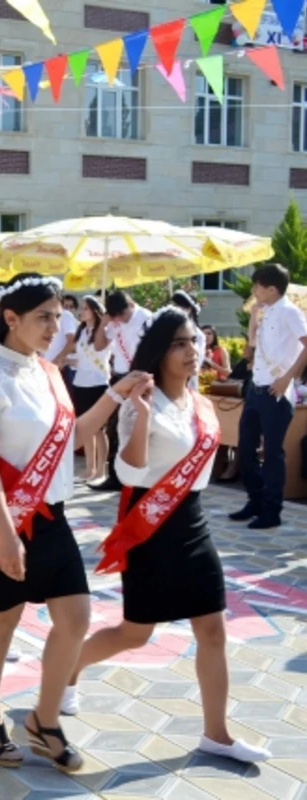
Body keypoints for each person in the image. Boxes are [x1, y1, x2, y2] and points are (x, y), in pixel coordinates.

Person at [0, 273, 149, 772]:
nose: (54, 324)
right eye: (44, 316)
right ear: (11, 319)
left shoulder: (48, 373)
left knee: (76, 618)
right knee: (1, 619)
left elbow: (74, 437)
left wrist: (117, 393)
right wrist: (5, 535)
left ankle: (45, 721)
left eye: (58, 314)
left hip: (54, 516)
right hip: (4, 517)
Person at [69, 305, 270, 764]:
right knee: (135, 634)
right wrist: (138, 418)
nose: (191, 351)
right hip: (149, 528)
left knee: (213, 629)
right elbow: (127, 471)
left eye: (194, 341)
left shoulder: (199, 403)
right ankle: (68, 668)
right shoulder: (141, 401)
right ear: (159, 352)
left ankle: (216, 734)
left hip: (193, 523)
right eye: (179, 343)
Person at [231, 264, 307, 529]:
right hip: (256, 389)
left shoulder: (289, 312)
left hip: (277, 392)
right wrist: (254, 317)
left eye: (258, 287)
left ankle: (272, 510)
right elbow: (251, 346)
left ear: (272, 289)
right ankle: (255, 499)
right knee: (246, 447)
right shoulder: (264, 312)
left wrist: (288, 377)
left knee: (273, 453)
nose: (254, 291)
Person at [91, 291, 153, 491]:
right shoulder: (114, 321)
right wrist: (104, 323)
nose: (120, 319)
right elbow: (99, 346)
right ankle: (115, 476)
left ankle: (137, 476)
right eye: (116, 316)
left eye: (123, 314)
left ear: (131, 304)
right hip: (119, 378)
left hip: (139, 378)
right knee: (114, 426)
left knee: (135, 427)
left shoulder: (147, 319)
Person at [71, 296, 111, 483]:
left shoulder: (103, 332)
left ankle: (101, 469)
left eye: (86, 308)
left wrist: (103, 325)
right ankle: (89, 468)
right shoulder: (81, 331)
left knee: (98, 429)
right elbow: (81, 358)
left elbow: (100, 351)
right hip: (81, 382)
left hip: (98, 382)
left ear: (94, 311)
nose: (82, 311)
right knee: (86, 428)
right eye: (82, 308)